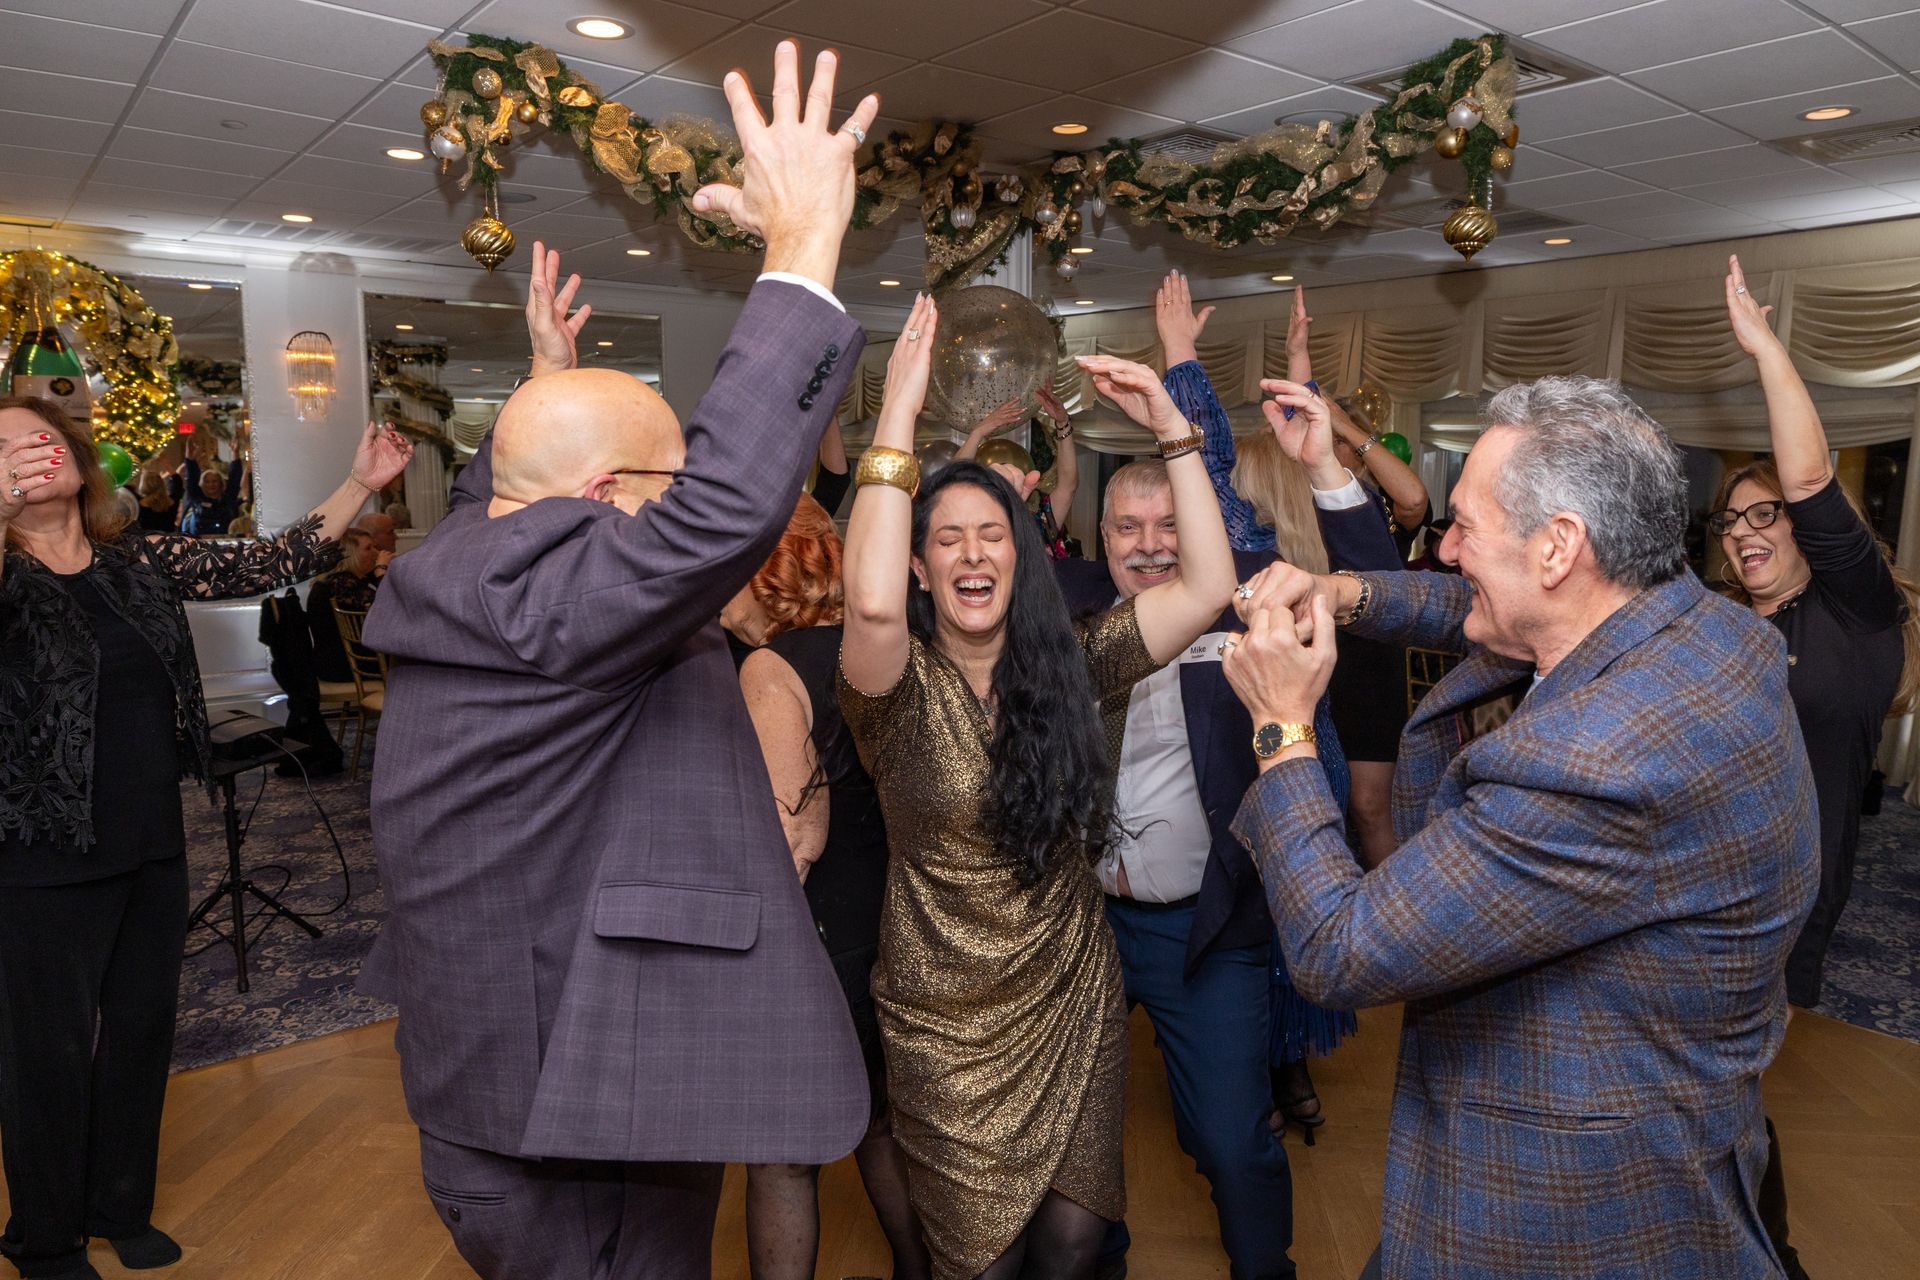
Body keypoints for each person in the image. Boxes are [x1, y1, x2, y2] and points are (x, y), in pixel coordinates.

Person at [355, 42, 884, 1280]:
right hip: (557, 1100)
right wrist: (802, 246)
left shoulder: (469, 562)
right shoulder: (541, 592)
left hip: (578, 1058)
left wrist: (543, 392)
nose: (676, 512)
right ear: (600, 498)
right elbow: (724, 515)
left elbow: (511, 493)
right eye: (662, 487)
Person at [1221, 376, 1818, 1279]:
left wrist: (1281, 728)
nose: (1446, 547)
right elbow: (1476, 612)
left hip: (1559, 1207)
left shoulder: (1598, 761)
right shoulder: (1698, 625)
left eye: (1464, 526)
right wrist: (1338, 591)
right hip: (1660, 1120)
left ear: (1559, 546)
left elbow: (1339, 950)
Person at [837, 289, 1237, 1280]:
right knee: (981, 1260)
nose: (973, 552)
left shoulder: (1077, 666)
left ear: (1023, 557)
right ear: (921, 569)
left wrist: (1174, 427)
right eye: (948, 538)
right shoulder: (890, 691)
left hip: (1069, 990)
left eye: (993, 533)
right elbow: (868, 603)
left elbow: (1206, 587)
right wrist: (898, 414)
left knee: (1071, 1244)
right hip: (942, 1016)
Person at [0, 396, 410, 1280]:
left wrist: (358, 482)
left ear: (74, 456)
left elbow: (266, 561)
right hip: (39, 855)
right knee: (46, 1053)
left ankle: (118, 1207)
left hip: (150, 836)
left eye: (40, 436)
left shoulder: (135, 561)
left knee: (143, 1030)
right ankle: (46, 1236)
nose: (29, 451)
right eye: (4, 447)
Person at [1053, 445, 1395, 1279]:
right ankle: (1102, 1265)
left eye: (1170, 524)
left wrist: (1331, 469)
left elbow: (1374, 589)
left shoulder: (1248, 605)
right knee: (1067, 1134)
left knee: (1232, 1141)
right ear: (1102, 535)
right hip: (1079, 926)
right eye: (1128, 526)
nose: (1149, 544)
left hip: (1204, 928)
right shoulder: (1067, 608)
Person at [1714, 254, 1919, 1279]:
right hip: (1688, 885)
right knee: (1706, 1092)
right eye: (1731, 520)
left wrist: (1766, 351)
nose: (1744, 532)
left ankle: (1772, 1257)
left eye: (1766, 515)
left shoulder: (1859, 619)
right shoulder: (1715, 628)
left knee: (1724, 1091)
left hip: (1787, 900)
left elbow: (1809, 481)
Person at [1151, 272, 1375, 1153]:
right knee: (1299, 912)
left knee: (1258, 917)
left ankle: (1255, 1091)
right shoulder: (1318, 556)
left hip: (1267, 750)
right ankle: (1293, 1076)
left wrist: (1179, 356)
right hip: (1320, 747)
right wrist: (1298, 377)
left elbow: (1204, 458)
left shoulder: (1248, 554)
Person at [726, 494, 932, 1280]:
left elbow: (794, 841)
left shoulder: (770, 667)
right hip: (883, 916)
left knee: (781, 1155)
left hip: (811, 937)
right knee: (879, 1123)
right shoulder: (870, 650)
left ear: (761, 576)